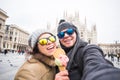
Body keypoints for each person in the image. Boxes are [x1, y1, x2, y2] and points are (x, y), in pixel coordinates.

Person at [55, 20, 120, 80]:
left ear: (76, 33)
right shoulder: (59, 54)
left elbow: (96, 64)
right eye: (61, 34)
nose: (66, 35)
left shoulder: (87, 49)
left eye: (70, 31)